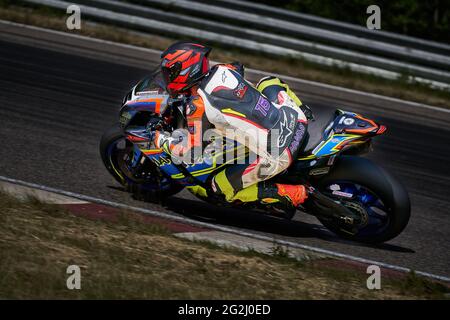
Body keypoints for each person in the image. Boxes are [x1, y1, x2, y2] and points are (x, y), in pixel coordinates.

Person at [151, 41, 311, 215]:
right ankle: (305, 110)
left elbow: (190, 152)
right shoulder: (224, 69)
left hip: (279, 152)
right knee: (268, 82)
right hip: (295, 118)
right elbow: (238, 66)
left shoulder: (198, 106)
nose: (167, 78)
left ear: (184, 71)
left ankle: (292, 194)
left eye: (169, 73)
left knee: (218, 187)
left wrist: (160, 138)